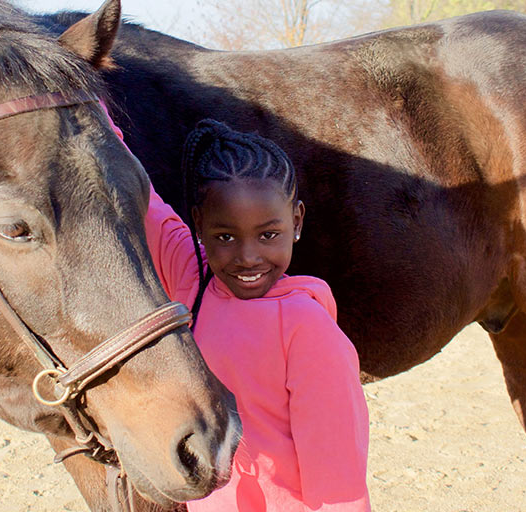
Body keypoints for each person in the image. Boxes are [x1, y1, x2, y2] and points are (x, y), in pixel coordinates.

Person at [139, 117, 370, 511]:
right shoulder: (192, 280)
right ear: (199, 223)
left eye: (268, 235)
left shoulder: (307, 329)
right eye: (225, 237)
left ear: (296, 221)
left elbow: (338, 475)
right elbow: (146, 202)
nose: (248, 257)